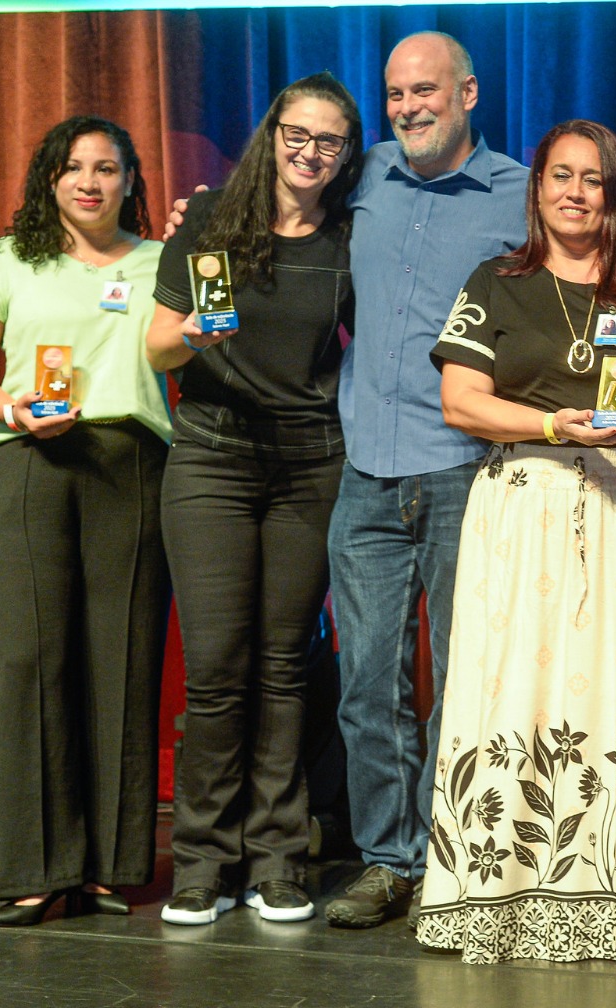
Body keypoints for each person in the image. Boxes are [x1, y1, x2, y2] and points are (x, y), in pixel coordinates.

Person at [412, 119, 616, 965]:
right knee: (513, 687)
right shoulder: (497, 282)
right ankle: (495, 895)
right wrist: (553, 423)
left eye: (593, 178)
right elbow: (461, 402)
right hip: (523, 507)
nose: (575, 192)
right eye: (560, 176)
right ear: (537, 187)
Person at [319, 32, 530, 928]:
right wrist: (199, 216)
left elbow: (594, 283)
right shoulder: (361, 173)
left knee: (464, 679)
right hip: (367, 468)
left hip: (466, 470)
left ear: (467, 94)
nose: (408, 107)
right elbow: (275, 202)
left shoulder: (523, 194)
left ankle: (452, 857)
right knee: (369, 684)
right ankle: (388, 861)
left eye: (426, 91)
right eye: (396, 94)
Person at [148, 73, 361, 925]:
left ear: (345, 154)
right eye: (297, 135)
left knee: (283, 668)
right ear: (272, 135)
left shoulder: (351, 235)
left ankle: (277, 858)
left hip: (311, 466)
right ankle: (203, 861)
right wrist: (193, 331)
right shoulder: (208, 221)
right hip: (212, 460)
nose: (310, 152)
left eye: (328, 141)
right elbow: (158, 348)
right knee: (217, 671)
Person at [0, 117, 171, 926]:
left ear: (131, 179)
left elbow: (191, 345)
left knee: (121, 658)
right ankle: (29, 868)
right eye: (73, 167)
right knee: (29, 659)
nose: (89, 182)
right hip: (30, 463)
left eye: (106, 168)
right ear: (50, 179)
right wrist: (11, 408)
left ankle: (106, 866)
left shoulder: (161, 262)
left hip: (132, 464)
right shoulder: (9, 259)